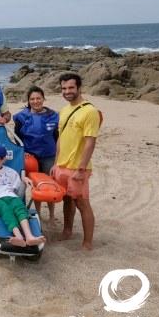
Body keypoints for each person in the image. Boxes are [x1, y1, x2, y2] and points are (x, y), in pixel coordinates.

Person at [53, 73, 100, 251]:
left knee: (82, 203)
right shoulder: (64, 111)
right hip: (62, 165)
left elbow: (90, 142)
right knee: (67, 200)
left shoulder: (89, 111)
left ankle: (87, 243)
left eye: (71, 88)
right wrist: (56, 163)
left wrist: (81, 168)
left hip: (78, 167)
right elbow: (61, 138)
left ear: (79, 88)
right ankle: (67, 231)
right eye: (64, 88)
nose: (67, 91)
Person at [0, 145, 46, 247]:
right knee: (5, 210)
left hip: (12, 196)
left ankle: (29, 237)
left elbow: (18, 194)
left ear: (3, 160)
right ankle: (19, 236)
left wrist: (24, 181)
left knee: (20, 208)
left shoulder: (11, 172)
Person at [14, 86, 60, 222]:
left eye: (38, 98)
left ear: (43, 99)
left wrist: (58, 159)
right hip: (31, 158)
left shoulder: (54, 116)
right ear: (28, 101)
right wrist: (23, 153)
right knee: (36, 186)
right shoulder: (21, 117)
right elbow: (17, 140)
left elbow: (57, 138)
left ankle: (52, 214)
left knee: (49, 185)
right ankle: (38, 213)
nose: (36, 101)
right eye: (32, 99)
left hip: (49, 156)